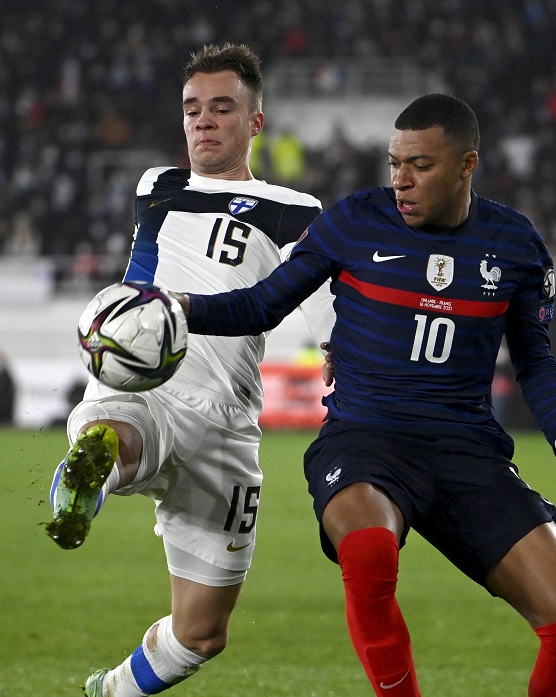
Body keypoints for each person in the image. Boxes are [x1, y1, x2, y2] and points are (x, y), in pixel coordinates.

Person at [174, 93, 556, 697]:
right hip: (364, 442)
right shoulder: (354, 220)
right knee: (369, 557)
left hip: (469, 451)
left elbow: (535, 359)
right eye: (393, 163)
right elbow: (262, 303)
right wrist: (176, 307)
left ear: (468, 164)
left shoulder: (514, 243)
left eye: (420, 165)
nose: (401, 181)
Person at [44, 43, 331, 697]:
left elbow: (326, 318)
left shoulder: (296, 211)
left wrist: (342, 363)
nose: (202, 120)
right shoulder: (159, 186)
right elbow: (139, 283)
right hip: (145, 382)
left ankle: (112, 688)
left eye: (221, 108)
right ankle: (94, 469)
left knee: (201, 633)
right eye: (192, 109)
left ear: (255, 121)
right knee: (124, 430)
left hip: (227, 425)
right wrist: (122, 335)